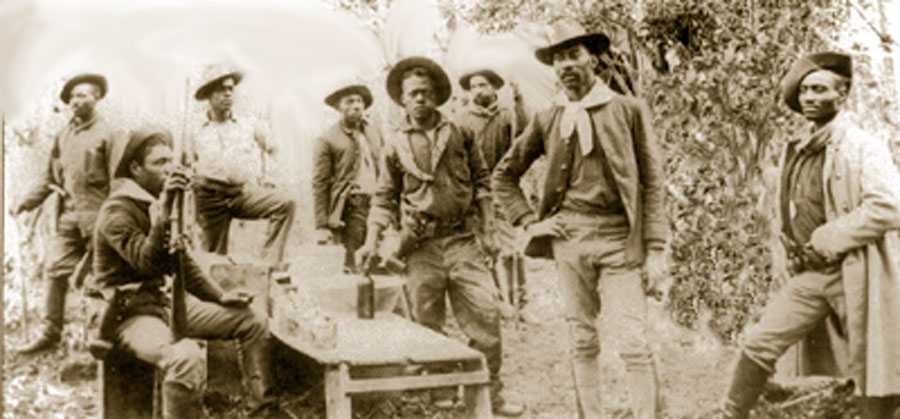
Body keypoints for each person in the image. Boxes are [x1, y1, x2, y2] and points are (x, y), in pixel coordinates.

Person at [492, 19, 668, 419]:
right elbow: (504, 175)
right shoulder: (547, 118)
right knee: (582, 340)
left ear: (594, 59)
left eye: (573, 55)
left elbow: (652, 182)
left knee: (634, 341)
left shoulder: (628, 111)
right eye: (558, 59)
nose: (566, 66)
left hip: (621, 239)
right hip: (569, 238)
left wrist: (655, 248)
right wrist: (528, 222)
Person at [717, 52, 900, 419]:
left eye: (819, 89)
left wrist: (830, 236)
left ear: (842, 93)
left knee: (873, 364)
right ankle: (730, 414)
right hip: (812, 274)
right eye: (804, 92)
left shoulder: (864, 146)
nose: (809, 98)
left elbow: (889, 205)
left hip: (858, 270)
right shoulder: (798, 149)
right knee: (761, 340)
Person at [355, 56, 525, 417]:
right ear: (402, 99)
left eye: (427, 93)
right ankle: (438, 392)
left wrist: (490, 228)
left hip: (463, 241)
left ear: (437, 97)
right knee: (427, 326)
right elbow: (384, 197)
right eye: (413, 93)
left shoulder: (460, 133)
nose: (420, 99)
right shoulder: (394, 144)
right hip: (421, 246)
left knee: (486, 317)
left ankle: (490, 394)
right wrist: (371, 240)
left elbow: (482, 182)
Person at [92, 125, 287, 418]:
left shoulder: (156, 204)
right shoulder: (117, 212)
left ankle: (261, 410)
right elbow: (147, 262)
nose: (169, 169)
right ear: (135, 168)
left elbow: (181, 262)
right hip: (128, 312)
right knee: (186, 358)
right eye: (159, 163)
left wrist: (221, 297)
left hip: (163, 304)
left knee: (253, 320)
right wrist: (166, 210)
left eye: (170, 161)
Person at [11, 73, 121, 354]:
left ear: (96, 97)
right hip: (69, 217)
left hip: (100, 219)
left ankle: (107, 338)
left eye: (82, 95)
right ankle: (51, 332)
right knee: (55, 268)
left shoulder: (108, 134)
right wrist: (25, 202)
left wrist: (115, 218)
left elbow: (118, 182)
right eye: (72, 97)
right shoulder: (64, 135)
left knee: (105, 278)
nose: (75, 101)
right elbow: (50, 178)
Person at [191, 64, 295, 265]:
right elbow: (186, 164)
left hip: (241, 194)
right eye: (221, 90)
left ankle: (268, 264)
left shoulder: (248, 124)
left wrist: (270, 177)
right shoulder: (195, 129)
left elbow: (273, 149)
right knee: (213, 260)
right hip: (209, 200)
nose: (228, 94)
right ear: (208, 95)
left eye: (231, 89)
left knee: (285, 203)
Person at [456, 68, 529, 308]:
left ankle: (521, 302)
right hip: (477, 193)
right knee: (487, 249)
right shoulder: (463, 120)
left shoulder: (508, 115)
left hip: (504, 189)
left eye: (484, 85)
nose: (479, 90)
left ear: (494, 88)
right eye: (474, 86)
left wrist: (519, 99)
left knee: (513, 250)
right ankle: (499, 300)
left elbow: (524, 137)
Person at [312, 79, 383, 272]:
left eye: (359, 101)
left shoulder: (374, 133)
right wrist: (321, 225)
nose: (356, 106)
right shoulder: (327, 139)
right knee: (355, 266)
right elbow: (320, 183)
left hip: (378, 206)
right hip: (351, 208)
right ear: (338, 107)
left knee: (380, 264)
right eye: (349, 101)